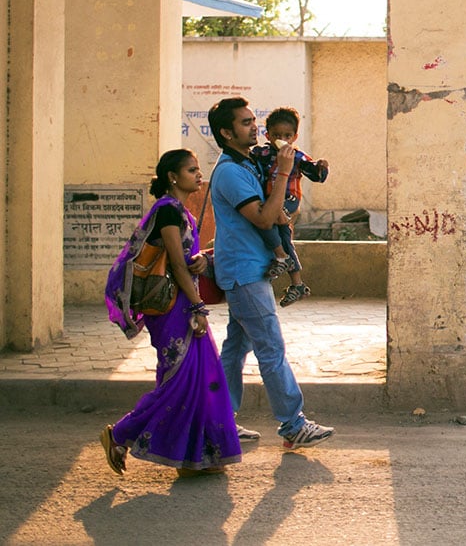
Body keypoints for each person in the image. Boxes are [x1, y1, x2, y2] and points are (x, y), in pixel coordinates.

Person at [103, 149, 242, 477]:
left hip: (184, 301)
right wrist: (197, 307)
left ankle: (196, 455)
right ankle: (119, 434)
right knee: (178, 381)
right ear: (172, 177)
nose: (198, 175)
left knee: (202, 377)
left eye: (197, 169)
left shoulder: (181, 212)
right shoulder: (167, 212)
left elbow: (186, 260)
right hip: (172, 307)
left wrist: (202, 261)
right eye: (191, 170)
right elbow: (177, 265)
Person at [207, 96, 334, 449]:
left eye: (252, 121)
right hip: (244, 273)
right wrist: (281, 172)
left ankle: (220, 421)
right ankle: (293, 425)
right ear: (226, 133)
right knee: (270, 348)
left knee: (236, 347)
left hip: (248, 269)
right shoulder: (231, 172)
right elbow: (264, 217)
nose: (254, 127)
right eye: (246, 123)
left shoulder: (246, 163)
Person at [252, 106, 330, 307]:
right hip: (270, 201)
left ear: (294, 137)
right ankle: (297, 284)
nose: (282, 139)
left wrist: (321, 167)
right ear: (268, 135)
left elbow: (314, 174)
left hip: (289, 199)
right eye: (277, 135)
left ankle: (280, 257)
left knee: (271, 219)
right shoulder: (263, 153)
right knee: (283, 235)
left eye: (287, 135)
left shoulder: (297, 156)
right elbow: (249, 158)